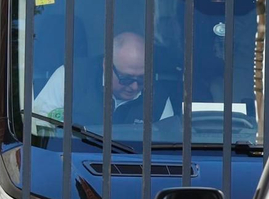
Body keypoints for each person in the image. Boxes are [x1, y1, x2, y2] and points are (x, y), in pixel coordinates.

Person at [32, 31, 175, 130]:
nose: (134, 86)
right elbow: (39, 125)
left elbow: (166, 146)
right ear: (106, 65)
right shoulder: (71, 77)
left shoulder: (158, 98)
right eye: (126, 79)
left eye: (142, 79)